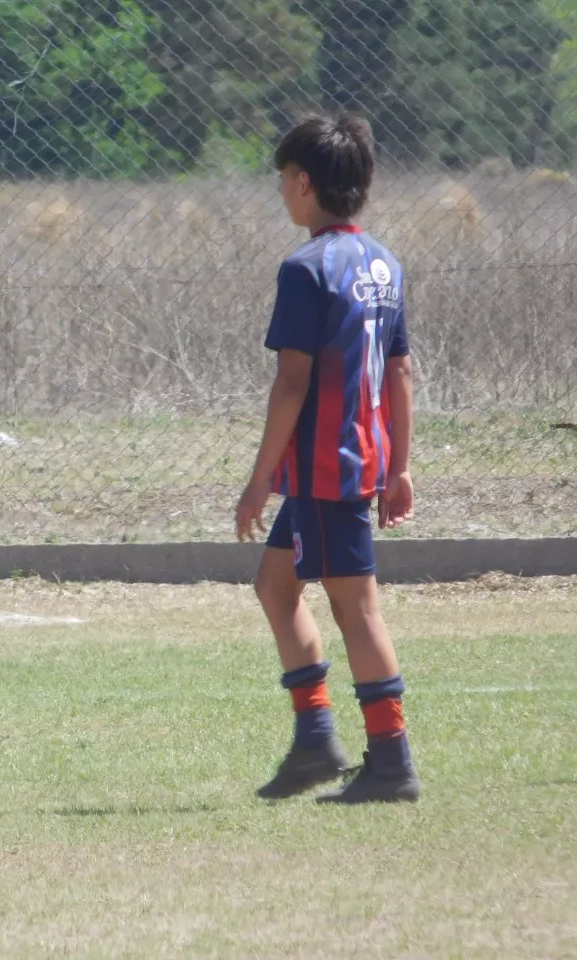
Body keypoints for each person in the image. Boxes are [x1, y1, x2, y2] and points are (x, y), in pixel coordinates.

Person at [235, 114, 420, 804]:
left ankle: (393, 761)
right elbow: (399, 372)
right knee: (276, 586)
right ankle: (315, 741)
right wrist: (400, 466)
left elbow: (292, 381)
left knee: (357, 609)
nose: (282, 191)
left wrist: (258, 484)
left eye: (284, 179)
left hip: (322, 470)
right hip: (358, 461)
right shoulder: (383, 262)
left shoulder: (306, 268)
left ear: (305, 182)